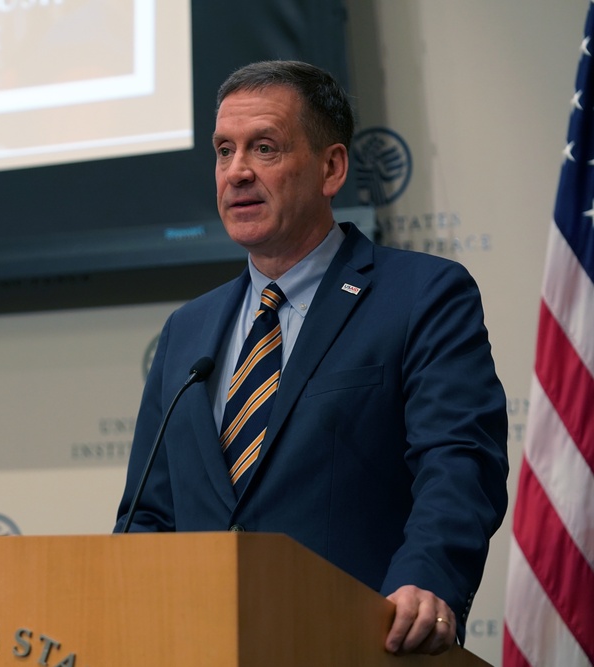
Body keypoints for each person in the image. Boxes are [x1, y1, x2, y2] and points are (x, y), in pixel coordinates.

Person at [113, 60, 508, 657]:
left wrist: (428, 578)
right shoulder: (186, 330)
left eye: (264, 148)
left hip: (362, 646)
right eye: (224, 151)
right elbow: (148, 515)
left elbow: (458, 461)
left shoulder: (422, 296)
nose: (237, 171)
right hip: (200, 647)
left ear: (332, 168)